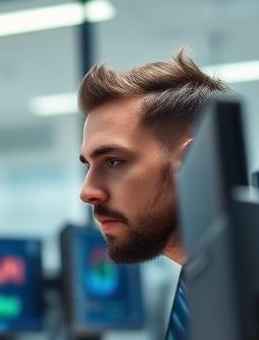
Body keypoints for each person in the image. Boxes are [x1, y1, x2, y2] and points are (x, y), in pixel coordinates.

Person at [76, 49, 226, 266]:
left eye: (113, 162)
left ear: (190, 162)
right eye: (88, 165)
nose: (87, 192)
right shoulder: (205, 286)